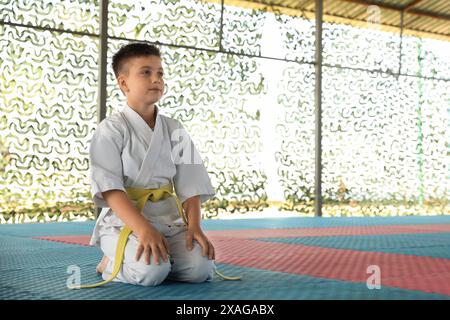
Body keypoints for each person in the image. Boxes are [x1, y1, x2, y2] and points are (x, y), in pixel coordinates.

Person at [85, 42, 221, 287]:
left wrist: (195, 227)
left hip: (168, 218)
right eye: (145, 72)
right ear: (123, 83)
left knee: (200, 268)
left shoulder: (174, 128)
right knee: (150, 272)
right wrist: (144, 229)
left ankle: (161, 259)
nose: (156, 79)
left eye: (160, 73)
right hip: (126, 221)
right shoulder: (110, 129)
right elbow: (110, 188)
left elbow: (192, 183)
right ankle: (110, 263)